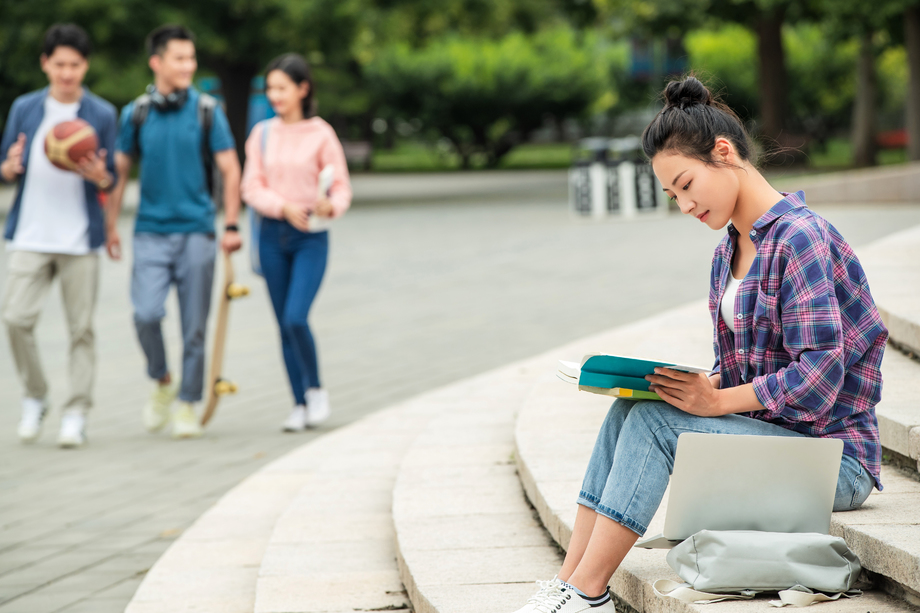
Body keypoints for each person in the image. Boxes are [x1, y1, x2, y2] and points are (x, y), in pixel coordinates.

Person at [513, 76, 888, 613]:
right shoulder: (727, 252)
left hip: (834, 463)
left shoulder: (801, 238)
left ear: (724, 152)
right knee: (631, 411)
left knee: (655, 423)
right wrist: (679, 385)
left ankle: (589, 594)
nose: (685, 205)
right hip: (777, 441)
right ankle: (567, 583)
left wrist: (714, 402)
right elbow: (738, 372)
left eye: (686, 184)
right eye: (673, 196)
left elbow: (820, 376)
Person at [107, 24, 242, 439]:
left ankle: (187, 403)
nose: (188, 66)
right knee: (146, 314)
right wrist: (110, 225)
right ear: (157, 62)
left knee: (194, 327)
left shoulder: (207, 111)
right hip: (149, 231)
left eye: (191, 58)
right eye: (179, 58)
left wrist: (231, 224)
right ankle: (163, 379)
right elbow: (119, 171)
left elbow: (230, 169)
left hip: (197, 231)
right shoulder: (136, 113)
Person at [0, 24, 117, 448]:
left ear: (85, 66)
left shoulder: (101, 114)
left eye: (75, 65)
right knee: (15, 319)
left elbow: (111, 178)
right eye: (59, 64)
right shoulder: (25, 108)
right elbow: (6, 166)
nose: (67, 73)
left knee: (80, 329)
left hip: (79, 239)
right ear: (45, 64)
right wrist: (8, 168)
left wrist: (101, 177)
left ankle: (76, 412)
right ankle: (36, 395)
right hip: (30, 234)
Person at [240, 53, 351, 431]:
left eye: (282, 88)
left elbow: (341, 188)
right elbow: (251, 187)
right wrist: (282, 207)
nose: (274, 95)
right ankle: (298, 403)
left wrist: (330, 206)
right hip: (272, 236)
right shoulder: (261, 134)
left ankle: (315, 389)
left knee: (296, 317)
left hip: (310, 239)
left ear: (303, 89)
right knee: (282, 325)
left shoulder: (321, 134)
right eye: (270, 88)